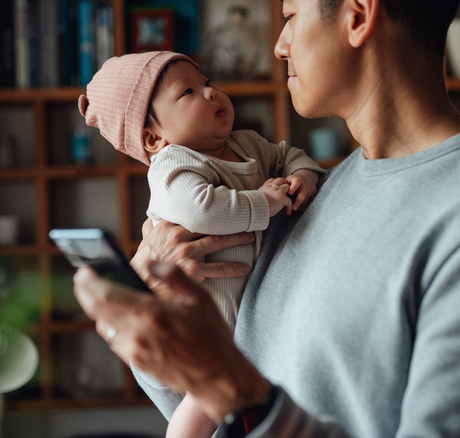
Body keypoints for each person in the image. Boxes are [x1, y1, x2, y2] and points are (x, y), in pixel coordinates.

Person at [72, 0, 460, 436]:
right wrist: (157, 322)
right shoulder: (310, 194)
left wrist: (236, 387)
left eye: (290, 15)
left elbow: (238, 395)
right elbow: (218, 415)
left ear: (357, 16)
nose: (279, 46)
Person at [77, 51, 325, 437]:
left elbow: (288, 155)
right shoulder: (172, 165)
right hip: (203, 329)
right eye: (188, 92)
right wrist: (266, 202)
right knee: (199, 411)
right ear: (153, 137)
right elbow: (201, 210)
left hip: (248, 329)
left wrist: (303, 176)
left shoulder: (248, 145)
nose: (211, 94)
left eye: (207, 82)